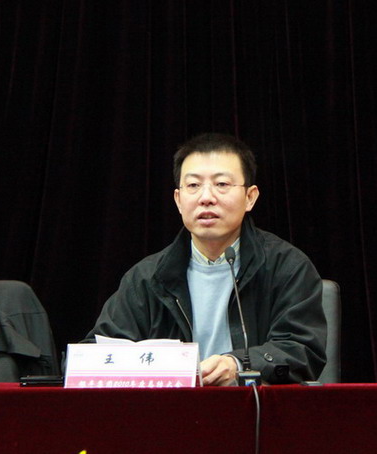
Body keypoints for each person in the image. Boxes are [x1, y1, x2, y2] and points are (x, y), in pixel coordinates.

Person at [85, 133, 326, 385]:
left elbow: (302, 349)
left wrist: (238, 365)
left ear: (250, 197)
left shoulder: (287, 267)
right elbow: (99, 352)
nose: (206, 197)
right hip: (173, 407)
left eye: (222, 184)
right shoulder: (147, 277)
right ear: (178, 200)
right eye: (193, 185)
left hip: (255, 406)